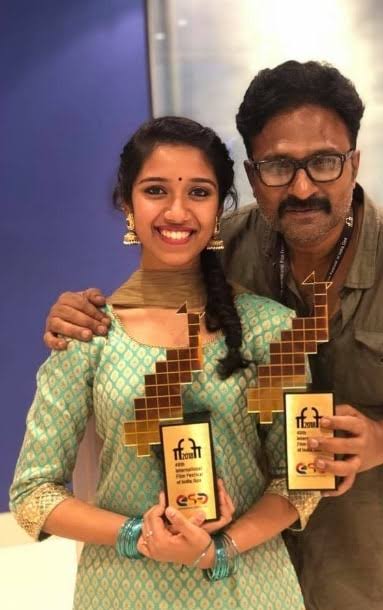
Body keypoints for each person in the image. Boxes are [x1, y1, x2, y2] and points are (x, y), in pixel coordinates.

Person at [42, 60, 383, 610]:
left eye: (324, 162)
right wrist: (79, 313)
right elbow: (150, 306)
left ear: (354, 162)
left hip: (374, 566)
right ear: (252, 172)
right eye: (278, 167)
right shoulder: (223, 245)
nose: (303, 187)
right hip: (243, 568)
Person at [10, 116, 325, 610]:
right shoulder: (90, 333)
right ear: (127, 203)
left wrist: (219, 549)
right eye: (156, 190)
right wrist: (139, 535)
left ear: (220, 208)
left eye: (198, 192)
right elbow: (32, 495)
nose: (177, 211)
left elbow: (303, 481)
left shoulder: (272, 329)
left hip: (247, 586)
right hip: (123, 590)